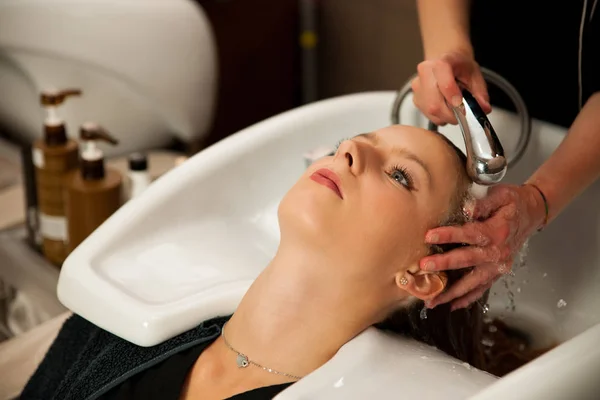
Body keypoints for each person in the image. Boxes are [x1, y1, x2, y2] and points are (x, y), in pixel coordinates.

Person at [21, 125, 486, 400]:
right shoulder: (123, 322)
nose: (351, 150)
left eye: (400, 175)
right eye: (355, 140)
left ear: (422, 276)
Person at [411, 0, 600, 310]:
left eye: (399, 175)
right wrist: (449, 51)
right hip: (486, 87)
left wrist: (540, 198)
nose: (350, 151)